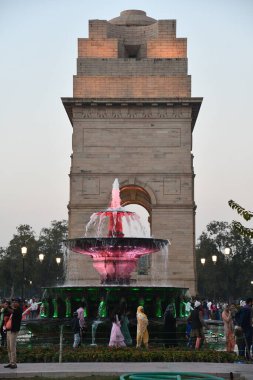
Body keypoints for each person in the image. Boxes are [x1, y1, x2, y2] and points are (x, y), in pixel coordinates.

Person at [3, 298, 22, 369]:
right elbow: (8, 312)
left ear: (19, 303)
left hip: (13, 331)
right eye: (13, 301)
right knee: (8, 348)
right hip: (8, 330)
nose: (14, 303)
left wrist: (6, 307)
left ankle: (14, 363)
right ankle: (11, 362)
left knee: (12, 347)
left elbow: (12, 311)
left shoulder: (19, 310)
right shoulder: (13, 309)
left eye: (15, 302)